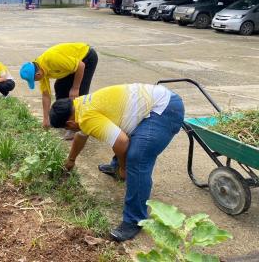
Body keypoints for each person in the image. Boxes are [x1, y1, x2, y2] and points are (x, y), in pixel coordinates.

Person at [49, 83, 184, 242]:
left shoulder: (85, 118)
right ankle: (116, 166)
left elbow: (121, 142)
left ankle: (134, 220)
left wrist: (124, 167)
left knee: (136, 159)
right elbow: (80, 136)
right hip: (158, 100)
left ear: (69, 124)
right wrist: (70, 160)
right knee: (119, 128)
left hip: (164, 110)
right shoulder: (80, 104)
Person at [19, 43, 98, 132]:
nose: (36, 81)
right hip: (71, 65)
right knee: (60, 87)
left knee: (79, 94)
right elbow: (46, 95)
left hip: (86, 57)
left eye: (34, 80)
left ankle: (78, 126)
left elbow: (80, 66)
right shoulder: (40, 70)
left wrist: (75, 88)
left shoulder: (52, 60)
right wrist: (46, 118)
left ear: (37, 75)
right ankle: (64, 119)